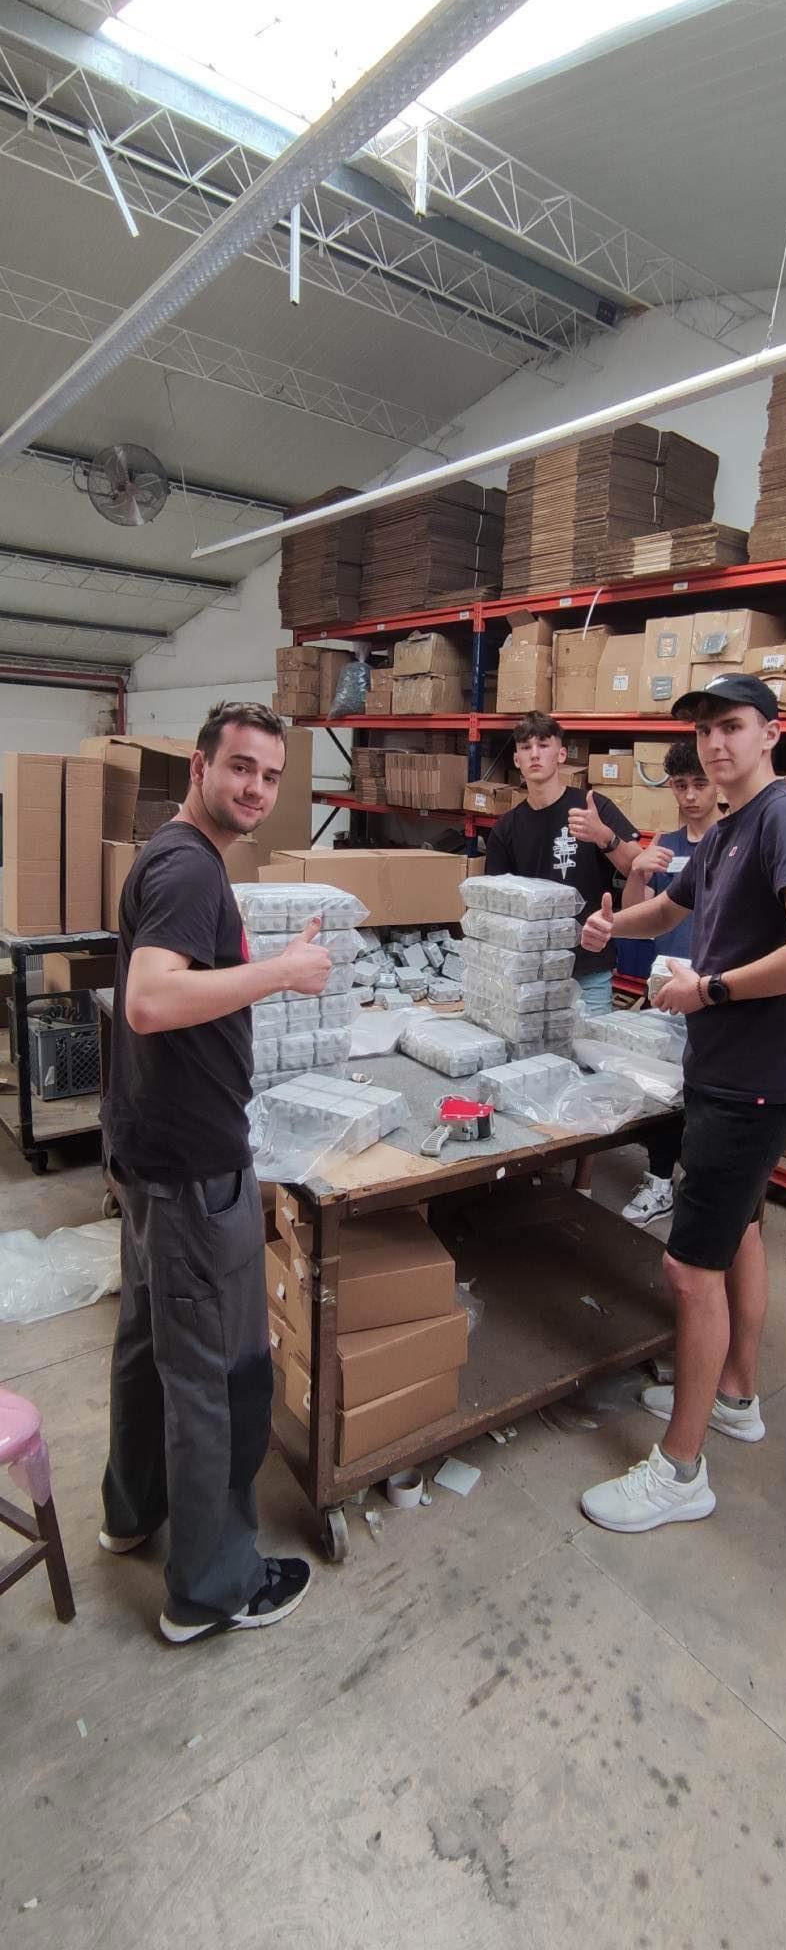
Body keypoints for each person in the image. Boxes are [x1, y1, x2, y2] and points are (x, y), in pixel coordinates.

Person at [576, 674, 786, 1535]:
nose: (715, 744)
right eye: (703, 732)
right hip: (734, 1070)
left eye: (731, 726)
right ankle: (734, 1395)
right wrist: (612, 927)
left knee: (690, 1270)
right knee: (740, 1236)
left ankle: (680, 1471)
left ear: (771, 733)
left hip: (752, 1080)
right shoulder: (728, 828)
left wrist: (711, 990)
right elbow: (667, 909)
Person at [99, 700, 333, 1643]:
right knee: (218, 1377)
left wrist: (264, 964)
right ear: (200, 767)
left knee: (147, 1348)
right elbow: (150, 1000)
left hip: (150, 1152)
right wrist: (283, 974)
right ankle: (210, 1590)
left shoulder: (172, 856)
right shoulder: (192, 868)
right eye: (240, 767)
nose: (256, 789)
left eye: (270, 776)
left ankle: (133, 1512)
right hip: (194, 1170)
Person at [616, 739, 721, 1226]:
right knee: (661, 1092)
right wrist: (637, 873)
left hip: (716, 992)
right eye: (681, 785)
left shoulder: (734, 842)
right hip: (664, 988)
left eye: (700, 783)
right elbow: (636, 915)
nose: (691, 796)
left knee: (706, 1101)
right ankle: (660, 1183)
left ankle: (706, 1194)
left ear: (718, 783)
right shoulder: (666, 847)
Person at [484, 711, 641, 1014]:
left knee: (593, 1044)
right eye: (526, 747)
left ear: (561, 754)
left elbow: (638, 868)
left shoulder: (592, 808)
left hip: (589, 969)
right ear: (516, 759)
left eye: (544, 745)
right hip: (531, 973)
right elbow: (497, 907)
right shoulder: (506, 828)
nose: (535, 754)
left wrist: (604, 836)